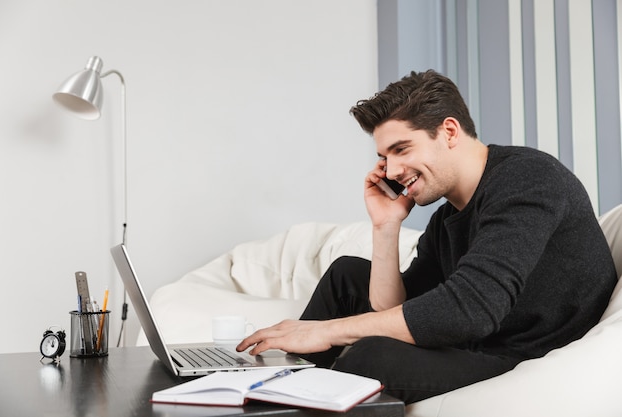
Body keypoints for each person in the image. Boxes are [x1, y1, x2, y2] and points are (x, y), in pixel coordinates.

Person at [236, 70, 617, 403]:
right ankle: (275, 391)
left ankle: (300, 390)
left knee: (370, 357)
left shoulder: (528, 179)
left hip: (523, 357)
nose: (393, 169)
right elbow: (391, 309)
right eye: (385, 157)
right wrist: (386, 227)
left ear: (448, 131)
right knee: (346, 275)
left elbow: (469, 310)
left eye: (401, 149)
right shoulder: (447, 216)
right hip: (477, 340)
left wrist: (324, 332)